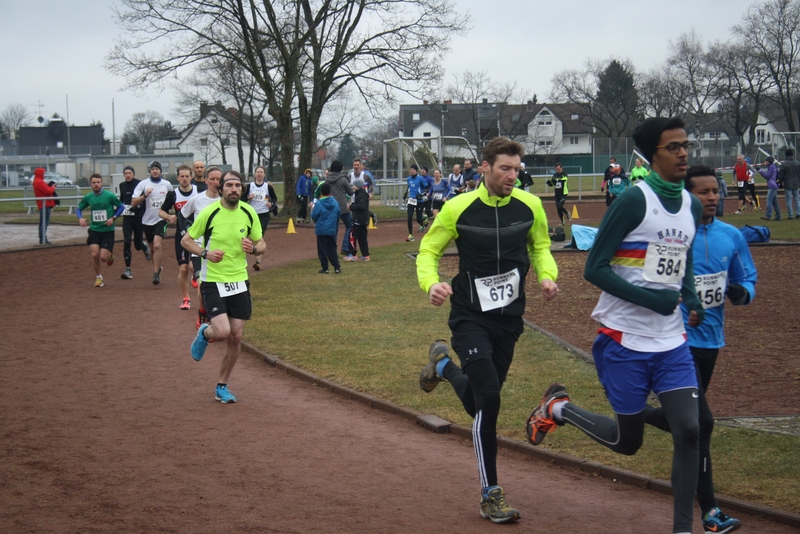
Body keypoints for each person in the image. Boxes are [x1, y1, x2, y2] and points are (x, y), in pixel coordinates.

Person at [527, 117, 705, 534]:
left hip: (671, 341)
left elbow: (683, 257)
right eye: (673, 147)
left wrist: (691, 296)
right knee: (628, 443)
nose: (683, 153)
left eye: (685, 145)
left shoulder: (692, 205)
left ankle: (682, 529)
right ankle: (559, 409)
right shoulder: (633, 201)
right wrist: (653, 300)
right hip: (623, 340)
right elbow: (594, 267)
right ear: (651, 155)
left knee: (689, 429)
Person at [416, 137, 559, 524]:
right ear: (484, 168)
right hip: (470, 316)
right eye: (505, 169)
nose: (513, 176)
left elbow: (540, 246)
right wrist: (431, 283)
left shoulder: (530, 205)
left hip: (508, 320)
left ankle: (443, 366)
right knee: (490, 399)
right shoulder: (458, 207)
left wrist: (547, 275)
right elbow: (428, 250)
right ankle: (490, 494)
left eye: (516, 169)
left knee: (480, 403)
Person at [643, 164, 755, 534]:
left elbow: (747, 278)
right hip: (675, 343)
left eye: (716, 191)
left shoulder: (731, 236)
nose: (712, 197)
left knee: (685, 426)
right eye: (703, 192)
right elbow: (652, 281)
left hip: (711, 342)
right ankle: (709, 512)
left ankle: (629, 415)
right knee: (701, 424)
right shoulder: (673, 236)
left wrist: (741, 292)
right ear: (687, 196)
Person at [183, 170, 265, 404]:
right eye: (229, 185)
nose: (234, 189)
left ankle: (222, 385)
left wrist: (254, 249)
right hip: (214, 281)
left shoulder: (248, 212)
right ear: (221, 189)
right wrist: (205, 253)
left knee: (236, 336)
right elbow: (186, 240)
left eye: (237, 185)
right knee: (221, 332)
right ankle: (204, 332)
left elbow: (261, 243)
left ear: (242, 189)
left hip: (239, 281)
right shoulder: (209, 213)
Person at [182, 167, 223, 329]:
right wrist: (185, 231)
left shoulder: (226, 202)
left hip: (220, 251)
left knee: (218, 287)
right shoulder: (197, 200)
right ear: (205, 180)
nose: (215, 182)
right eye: (212, 179)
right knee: (202, 286)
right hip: (199, 250)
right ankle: (203, 313)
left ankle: (215, 315)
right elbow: (182, 214)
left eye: (218, 179)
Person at [159, 165, 198, 310]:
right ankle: (186, 299)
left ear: (191, 177)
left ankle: (196, 276)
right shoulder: (173, 195)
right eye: (182, 176)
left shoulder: (198, 192)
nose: (185, 179)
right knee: (183, 269)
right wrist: (168, 217)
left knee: (193, 266)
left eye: (187, 176)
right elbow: (161, 211)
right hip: (181, 235)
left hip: (197, 235)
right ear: (177, 178)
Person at [77, 174, 125, 287]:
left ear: (102, 183)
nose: (96, 184)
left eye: (98, 182)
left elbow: (121, 207)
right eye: (94, 183)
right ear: (91, 184)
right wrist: (80, 218)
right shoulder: (88, 197)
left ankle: (110, 256)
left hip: (108, 230)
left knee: (103, 258)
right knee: (95, 254)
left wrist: (113, 218)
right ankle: (99, 278)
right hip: (94, 229)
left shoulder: (109, 196)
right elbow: (79, 209)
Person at [131, 161, 174, 285]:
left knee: (157, 245)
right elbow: (133, 202)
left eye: (157, 169)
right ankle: (158, 268)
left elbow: (173, 199)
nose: (155, 171)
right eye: (153, 169)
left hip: (161, 218)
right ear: (149, 171)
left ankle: (155, 274)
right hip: (147, 220)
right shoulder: (143, 184)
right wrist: (145, 196)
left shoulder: (167, 184)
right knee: (151, 248)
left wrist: (170, 214)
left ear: (161, 171)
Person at [118, 166, 151, 279]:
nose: (128, 175)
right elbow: (122, 199)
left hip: (138, 217)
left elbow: (144, 200)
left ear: (133, 174)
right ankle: (128, 269)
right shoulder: (122, 185)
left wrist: (136, 208)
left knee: (137, 245)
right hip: (127, 218)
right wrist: (118, 208)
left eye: (130, 173)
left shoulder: (140, 184)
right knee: (127, 242)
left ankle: (143, 246)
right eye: (126, 173)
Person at [246, 165, 276, 270]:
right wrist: (248, 197)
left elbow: (274, 199)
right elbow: (241, 199)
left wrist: (271, 204)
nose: (259, 174)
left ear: (264, 174)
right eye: (258, 172)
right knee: (245, 236)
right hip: (251, 215)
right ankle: (242, 259)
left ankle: (258, 262)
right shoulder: (250, 186)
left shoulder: (268, 187)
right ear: (255, 174)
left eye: (261, 172)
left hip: (264, 215)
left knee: (259, 237)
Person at [324, 160, 355, 257]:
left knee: (334, 229)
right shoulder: (343, 179)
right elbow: (350, 192)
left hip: (331, 206)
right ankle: (345, 247)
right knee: (349, 225)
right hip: (342, 206)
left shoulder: (327, 179)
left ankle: (332, 250)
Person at [311, 182, 342, 274]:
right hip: (332, 229)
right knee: (332, 248)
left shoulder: (319, 203)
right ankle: (336, 267)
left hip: (321, 230)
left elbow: (314, 215)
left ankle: (325, 268)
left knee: (322, 249)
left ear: (321, 192)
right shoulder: (335, 202)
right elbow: (338, 214)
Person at [346, 178, 371, 261]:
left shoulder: (360, 194)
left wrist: (351, 207)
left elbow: (361, 206)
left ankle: (353, 254)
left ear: (358, 186)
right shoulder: (362, 194)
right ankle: (365, 255)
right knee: (362, 238)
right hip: (362, 220)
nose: (353, 187)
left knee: (352, 236)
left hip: (359, 220)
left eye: (354, 185)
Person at [404, 164, 428, 242]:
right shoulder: (408, 179)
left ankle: (424, 217)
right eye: (411, 169)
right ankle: (411, 235)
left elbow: (427, 188)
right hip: (411, 200)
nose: (412, 171)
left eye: (413, 169)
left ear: (416, 170)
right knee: (409, 216)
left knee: (418, 219)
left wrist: (421, 194)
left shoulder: (420, 178)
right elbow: (409, 187)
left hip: (419, 200)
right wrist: (405, 195)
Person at [32, 167, 55, 245]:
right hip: (44, 204)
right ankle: (43, 239)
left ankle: (42, 239)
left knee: (43, 222)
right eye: (43, 173)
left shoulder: (37, 181)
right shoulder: (39, 181)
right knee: (44, 222)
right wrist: (53, 187)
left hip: (43, 203)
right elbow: (48, 191)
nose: (44, 175)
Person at [778, 148, 800, 219]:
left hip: (787, 183)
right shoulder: (797, 163)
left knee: (788, 200)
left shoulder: (784, 164)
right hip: (797, 183)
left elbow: (781, 174)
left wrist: (780, 182)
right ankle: (798, 213)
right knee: (797, 199)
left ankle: (790, 215)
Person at [758, 156, 782, 221]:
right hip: (775, 185)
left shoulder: (771, 167)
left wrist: (761, 171)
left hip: (772, 185)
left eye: (766, 161)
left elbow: (768, 176)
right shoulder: (773, 166)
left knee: (769, 200)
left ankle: (768, 215)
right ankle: (778, 216)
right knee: (775, 202)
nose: (765, 162)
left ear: (769, 161)